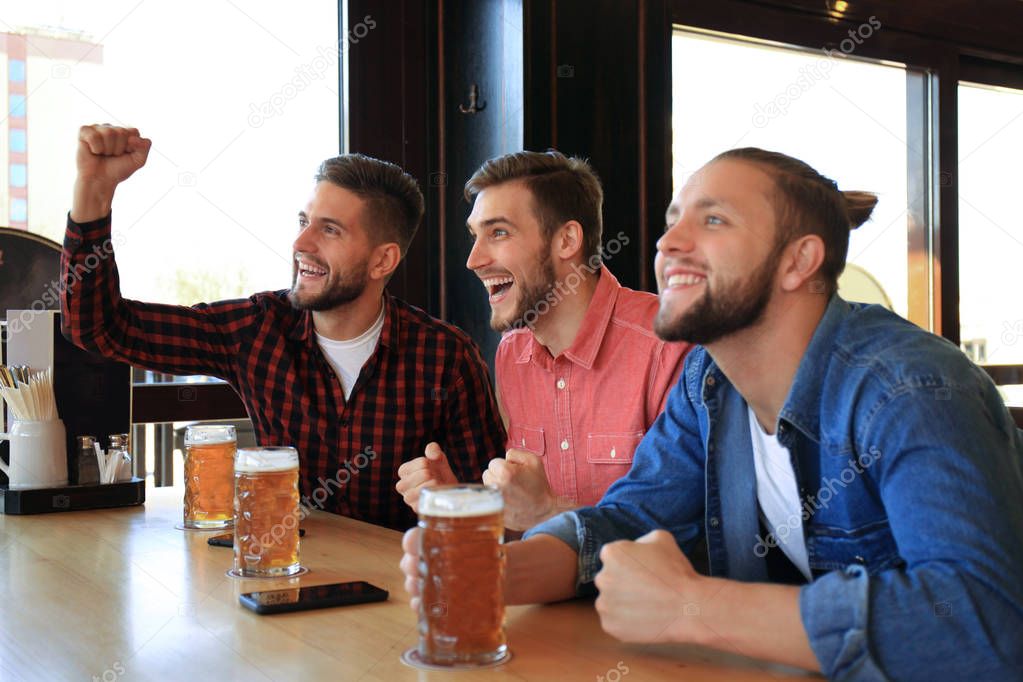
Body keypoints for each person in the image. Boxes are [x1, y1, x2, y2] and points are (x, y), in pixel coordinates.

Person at [401, 147, 1023, 678]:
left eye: (714, 220)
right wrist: (490, 574)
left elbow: (984, 623)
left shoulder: (913, 389)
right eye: (672, 223)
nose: (668, 243)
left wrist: (693, 605)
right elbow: (630, 517)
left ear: (798, 260)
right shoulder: (708, 381)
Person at [62, 124, 505, 530]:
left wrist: (451, 495)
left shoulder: (447, 359)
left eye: (329, 230)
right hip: (282, 576)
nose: (300, 244)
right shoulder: (257, 329)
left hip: (399, 598)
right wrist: (93, 195)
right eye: (302, 222)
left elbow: (493, 518)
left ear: (383, 260)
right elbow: (98, 327)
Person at [395, 151, 689, 530]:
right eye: (475, 236)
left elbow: (684, 537)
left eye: (498, 232)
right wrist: (460, 503)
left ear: (566, 240)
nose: (473, 259)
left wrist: (549, 512)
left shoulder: (668, 346)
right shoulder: (511, 355)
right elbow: (522, 531)